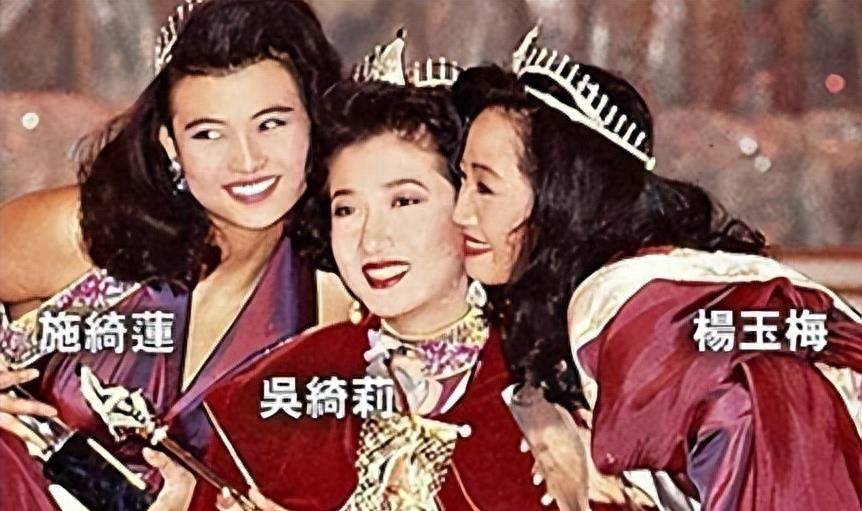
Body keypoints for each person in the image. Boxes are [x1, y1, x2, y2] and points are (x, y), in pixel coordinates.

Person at [191, 37, 650, 510]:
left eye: (405, 201)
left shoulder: (563, 384)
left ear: (469, 201)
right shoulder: (268, 395)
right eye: (346, 209)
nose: (372, 240)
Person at [450, 29, 862, 510]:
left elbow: (770, 445)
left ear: (563, 193)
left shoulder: (635, 309)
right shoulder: (641, 290)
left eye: (485, 187)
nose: (461, 213)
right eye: (461, 180)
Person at [0, 0, 340, 507]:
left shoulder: (334, 302)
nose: (247, 160)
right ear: (170, 145)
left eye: (271, 124)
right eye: (208, 133)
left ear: (314, 123)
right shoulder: (86, 234)